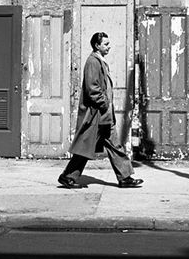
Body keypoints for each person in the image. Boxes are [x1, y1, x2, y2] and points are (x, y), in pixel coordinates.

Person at [58, 32, 143, 189]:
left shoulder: (100, 61)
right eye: (106, 44)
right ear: (97, 46)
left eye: (108, 43)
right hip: (96, 114)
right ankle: (68, 176)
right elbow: (92, 88)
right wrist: (104, 104)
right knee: (86, 146)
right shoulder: (93, 62)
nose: (109, 46)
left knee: (115, 145)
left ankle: (124, 177)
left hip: (104, 115)